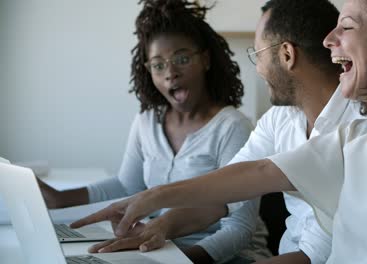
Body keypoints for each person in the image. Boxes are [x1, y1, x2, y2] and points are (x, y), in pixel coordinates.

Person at [73, 0, 367, 262]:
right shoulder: (360, 142)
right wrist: (151, 204)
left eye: (346, 27)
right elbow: (254, 174)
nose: (329, 41)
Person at [37, 0, 271, 263]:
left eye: (182, 59)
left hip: (228, 257)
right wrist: (60, 199)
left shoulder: (232, 127)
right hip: (160, 249)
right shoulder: (147, 121)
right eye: (158, 65)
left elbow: (239, 229)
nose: (171, 73)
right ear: (148, 70)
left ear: (205, 59)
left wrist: (178, 260)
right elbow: (127, 185)